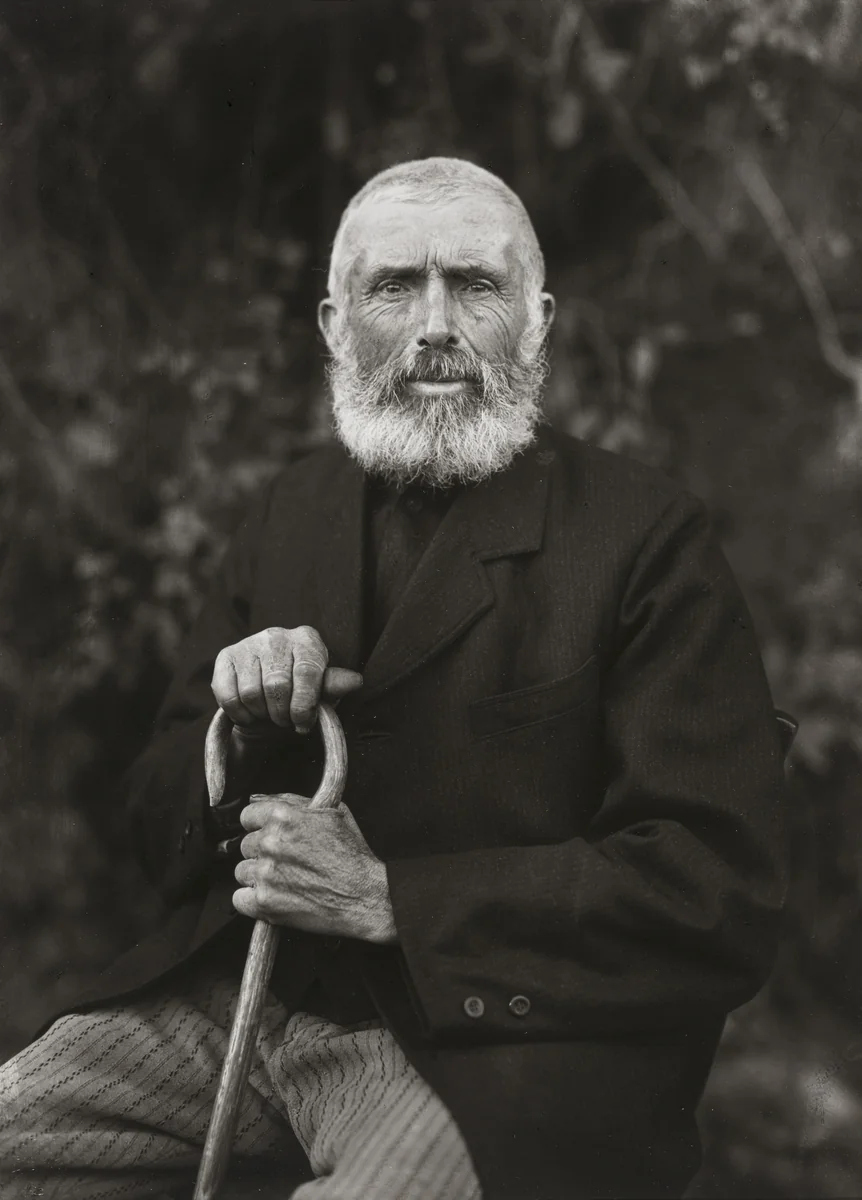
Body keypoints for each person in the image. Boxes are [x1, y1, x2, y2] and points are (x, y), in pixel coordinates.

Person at [0, 157, 789, 1200]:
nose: (434, 325)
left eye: (473, 284)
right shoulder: (287, 515)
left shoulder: (643, 538)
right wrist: (233, 735)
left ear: (537, 319)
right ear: (334, 324)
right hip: (243, 998)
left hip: (476, 1054)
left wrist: (390, 899)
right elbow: (157, 824)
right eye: (392, 287)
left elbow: (712, 891)